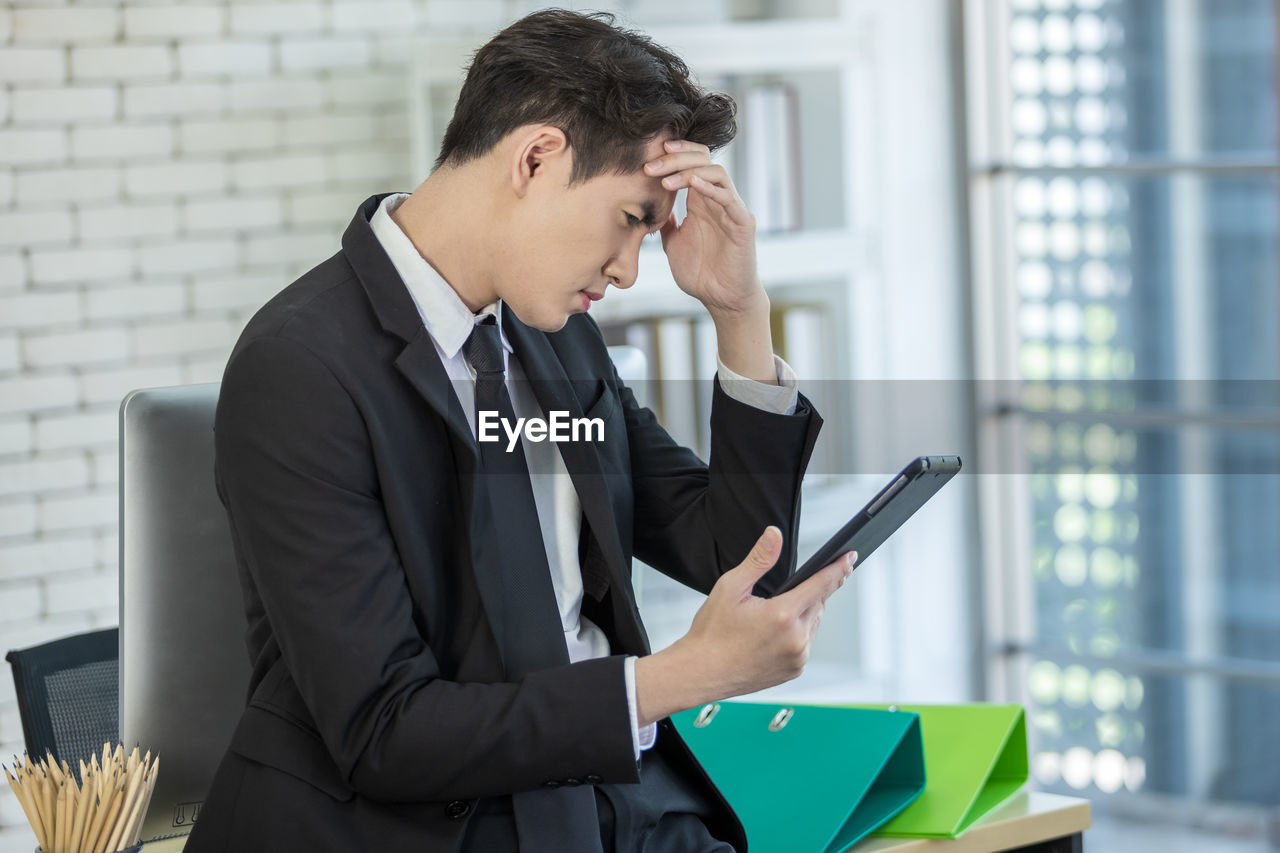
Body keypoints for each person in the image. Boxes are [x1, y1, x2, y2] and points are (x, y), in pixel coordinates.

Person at [185, 9, 854, 852]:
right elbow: (386, 731)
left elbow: (735, 557)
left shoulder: (552, 331)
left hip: (612, 803)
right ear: (536, 158)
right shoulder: (302, 367)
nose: (628, 270)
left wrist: (739, 313)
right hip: (431, 826)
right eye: (629, 219)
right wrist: (675, 678)